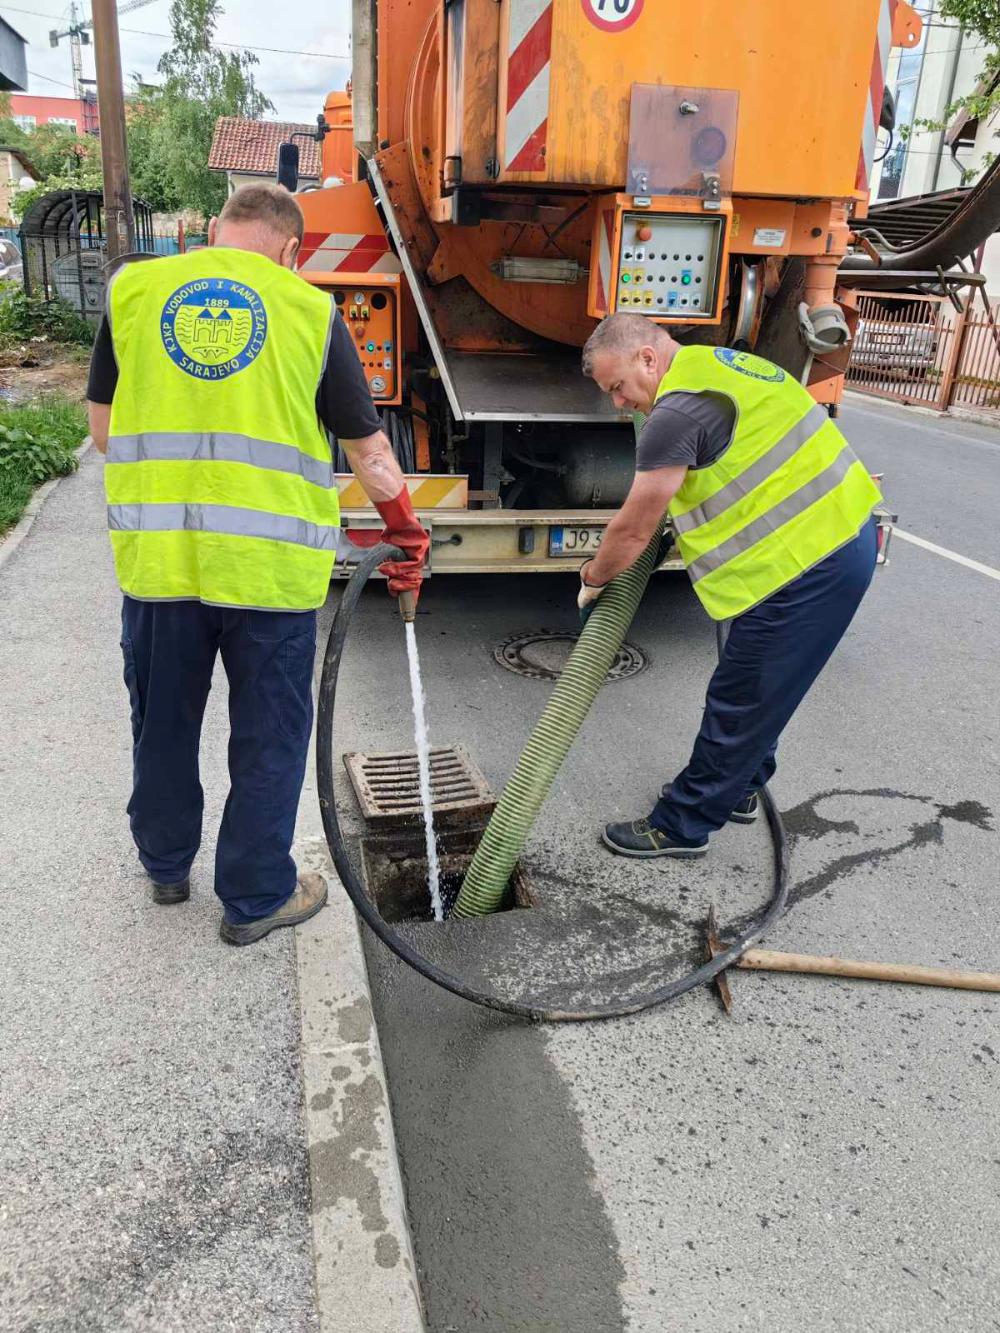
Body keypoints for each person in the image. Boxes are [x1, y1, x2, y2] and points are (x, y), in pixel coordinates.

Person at [87, 184, 429, 944]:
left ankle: (166, 865)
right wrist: (405, 532)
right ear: (291, 249)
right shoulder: (309, 312)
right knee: (269, 735)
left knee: (163, 724)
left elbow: (104, 431)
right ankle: (254, 896)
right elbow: (370, 455)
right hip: (269, 579)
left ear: (211, 234)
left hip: (160, 565)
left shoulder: (135, 292)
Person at [579, 313, 880, 859]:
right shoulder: (719, 363)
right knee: (758, 685)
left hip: (809, 563)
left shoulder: (674, 413)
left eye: (617, 387)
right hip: (835, 536)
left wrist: (593, 579)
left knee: (739, 700)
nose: (619, 403)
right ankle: (740, 786)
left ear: (648, 358)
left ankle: (682, 825)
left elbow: (634, 525)